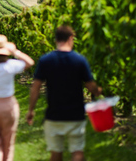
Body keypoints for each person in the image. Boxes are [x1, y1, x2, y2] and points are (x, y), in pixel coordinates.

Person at [26, 26, 102, 161]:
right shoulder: (79, 60)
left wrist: (31, 110)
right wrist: (98, 91)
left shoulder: (45, 60)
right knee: (77, 151)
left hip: (54, 114)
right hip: (76, 114)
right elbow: (90, 86)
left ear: (56, 40)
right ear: (70, 38)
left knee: (56, 153)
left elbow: (36, 87)